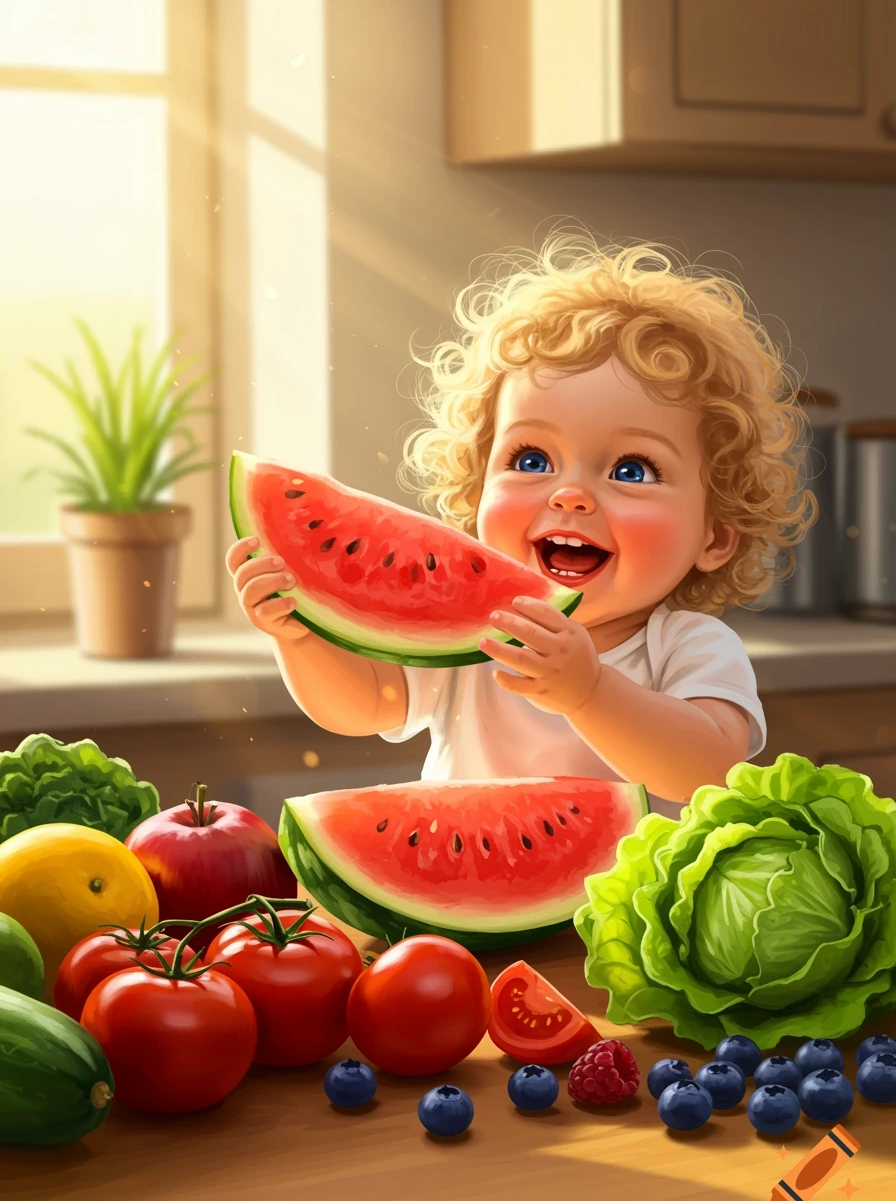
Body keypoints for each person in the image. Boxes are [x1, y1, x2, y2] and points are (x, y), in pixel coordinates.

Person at [226, 233, 816, 817]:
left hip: (637, 885)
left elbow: (705, 769)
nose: (570, 495)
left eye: (631, 470)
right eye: (531, 460)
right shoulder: (473, 632)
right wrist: (301, 635)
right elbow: (369, 705)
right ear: (476, 487)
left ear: (715, 536)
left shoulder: (689, 646)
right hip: (460, 873)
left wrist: (590, 692)